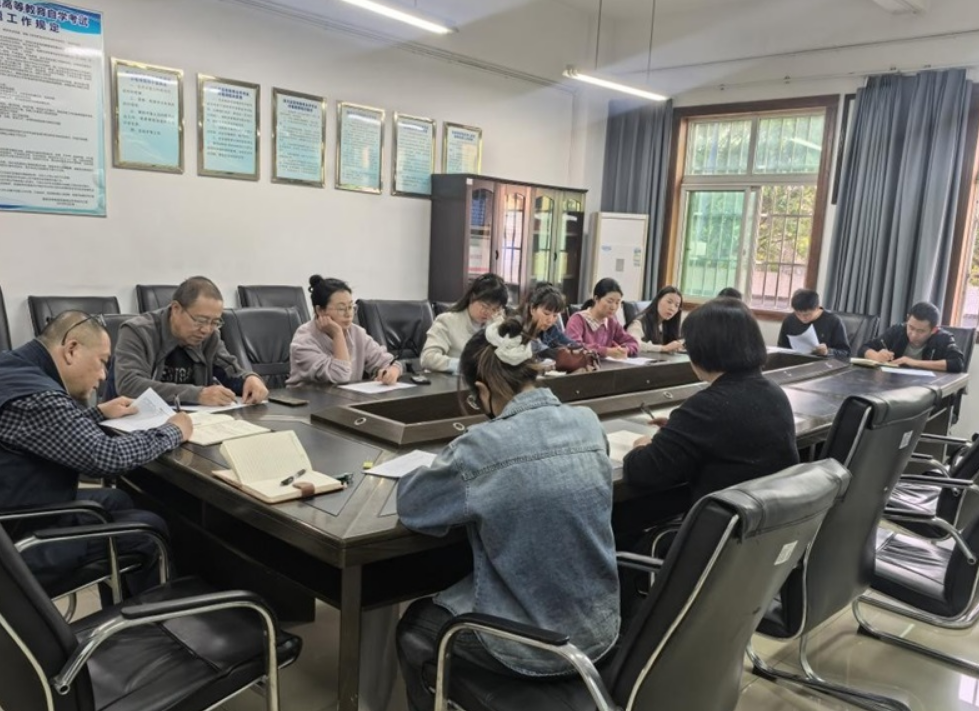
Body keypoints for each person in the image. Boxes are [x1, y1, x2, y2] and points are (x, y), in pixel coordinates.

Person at [396, 318, 619, 711]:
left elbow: (413, 506)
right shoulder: (588, 423)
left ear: (482, 391)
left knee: (415, 624)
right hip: (599, 631)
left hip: (530, 647)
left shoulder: (478, 447)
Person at [0, 311, 192, 598]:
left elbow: (40, 431)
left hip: (15, 506)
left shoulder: (12, 366)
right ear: (72, 349)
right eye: (102, 362)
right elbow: (106, 457)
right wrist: (173, 431)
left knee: (116, 499)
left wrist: (98, 413)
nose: (103, 376)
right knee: (149, 529)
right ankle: (157, 619)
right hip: (19, 544)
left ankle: (123, 600)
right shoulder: (38, 397)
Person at [623, 297, 799, 524]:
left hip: (721, 533)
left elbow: (642, 472)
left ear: (703, 351)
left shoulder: (706, 407)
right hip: (764, 528)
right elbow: (728, 434)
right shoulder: (774, 392)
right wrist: (679, 431)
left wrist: (642, 446)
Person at [112, 276, 269, 405]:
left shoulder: (210, 336)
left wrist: (249, 379)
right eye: (200, 320)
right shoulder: (137, 331)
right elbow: (129, 385)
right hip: (133, 420)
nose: (206, 329)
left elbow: (229, 370)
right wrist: (197, 395)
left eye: (215, 322)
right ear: (176, 309)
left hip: (192, 421)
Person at [287, 276, 401, 386]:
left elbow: (390, 362)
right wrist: (338, 334)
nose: (348, 314)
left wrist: (392, 371)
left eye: (350, 307)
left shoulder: (357, 333)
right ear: (320, 310)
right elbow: (340, 376)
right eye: (341, 308)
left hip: (347, 397)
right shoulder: (303, 340)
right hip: (309, 399)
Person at [420, 273, 508, 373]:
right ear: (472, 297)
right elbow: (427, 358)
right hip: (451, 380)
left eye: (495, 309)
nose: (488, 313)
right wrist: (464, 366)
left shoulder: (494, 324)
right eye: (485, 306)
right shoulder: (447, 321)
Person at [858, 301, 965, 372]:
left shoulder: (943, 338)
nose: (913, 335)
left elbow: (957, 363)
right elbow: (864, 348)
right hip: (892, 384)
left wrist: (913, 362)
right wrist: (876, 356)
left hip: (926, 388)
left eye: (921, 331)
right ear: (907, 319)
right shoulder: (898, 331)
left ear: (934, 330)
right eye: (911, 327)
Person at [565, 278, 639, 358]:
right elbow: (574, 347)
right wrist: (606, 351)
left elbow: (633, 342)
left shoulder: (611, 322)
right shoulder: (577, 320)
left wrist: (625, 350)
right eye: (609, 301)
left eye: (617, 303)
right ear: (596, 299)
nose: (613, 307)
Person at [777, 288, 850, 358]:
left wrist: (827, 351)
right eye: (798, 314)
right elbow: (781, 347)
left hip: (823, 363)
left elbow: (845, 352)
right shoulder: (789, 320)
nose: (802, 318)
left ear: (817, 308)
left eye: (807, 315)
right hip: (795, 362)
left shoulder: (833, 321)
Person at [519, 282, 580, 358]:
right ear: (532, 309)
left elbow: (570, 343)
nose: (550, 320)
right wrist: (548, 352)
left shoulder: (551, 329)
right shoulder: (517, 328)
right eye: (546, 313)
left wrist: (579, 349)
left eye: (555, 315)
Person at [627, 286, 684, 354]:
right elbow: (633, 343)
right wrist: (663, 348)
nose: (672, 308)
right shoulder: (638, 323)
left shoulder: (667, 324)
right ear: (658, 300)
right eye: (669, 302)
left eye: (676, 305)